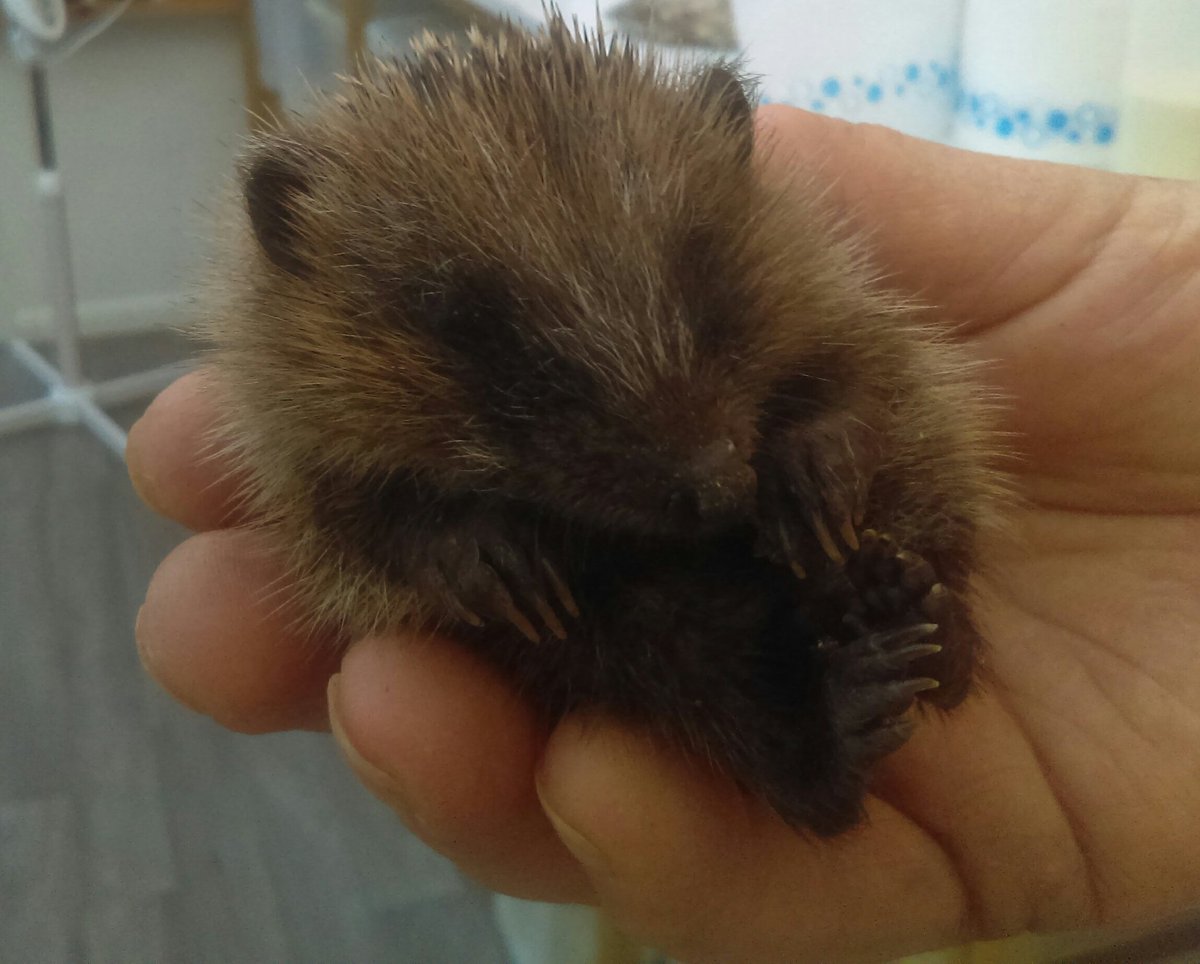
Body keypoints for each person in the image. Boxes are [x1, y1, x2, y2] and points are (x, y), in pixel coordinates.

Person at [127, 105, 1200, 963]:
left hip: (814, 488)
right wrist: (435, 556)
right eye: (513, 356)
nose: (694, 461)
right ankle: (810, 734)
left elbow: (850, 368)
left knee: (876, 435)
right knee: (599, 640)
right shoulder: (330, 434)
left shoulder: (779, 290)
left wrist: (826, 437)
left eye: (707, 314)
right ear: (293, 240)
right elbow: (352, 549)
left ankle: (895, 622)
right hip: (640, 609)